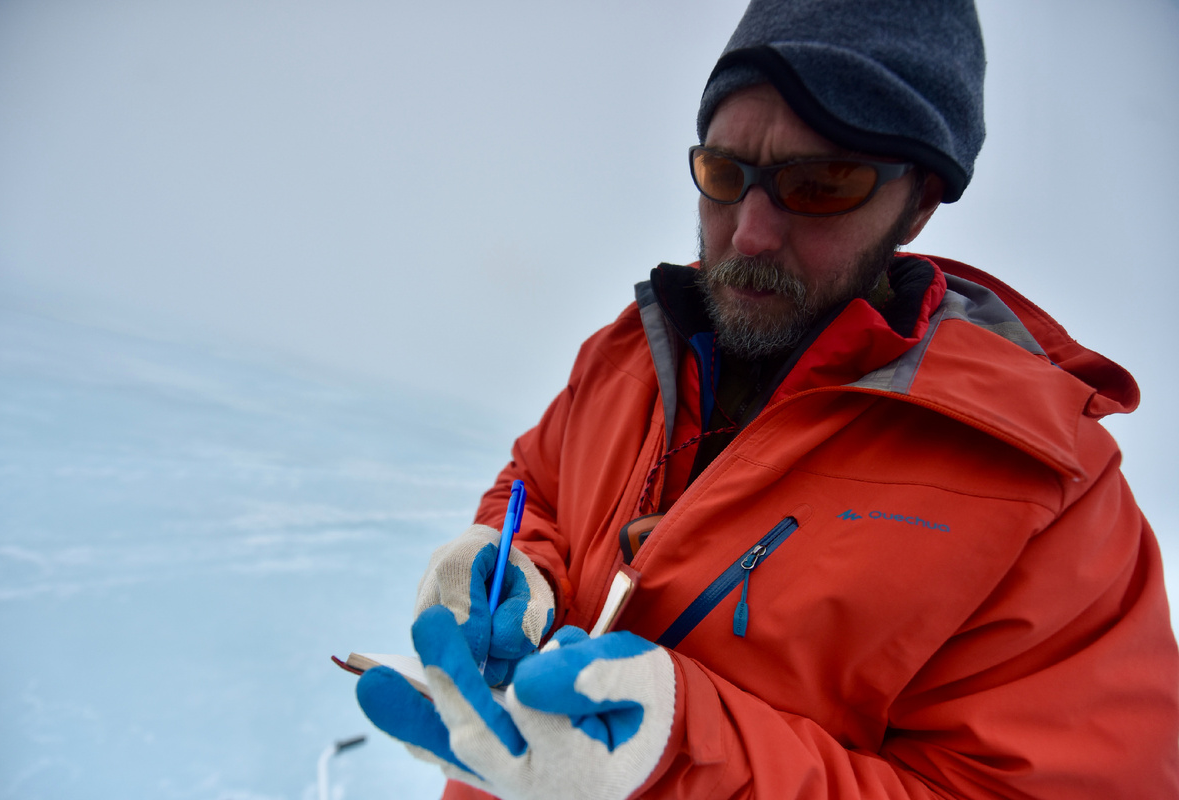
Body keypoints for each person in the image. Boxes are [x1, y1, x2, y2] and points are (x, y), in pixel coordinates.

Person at [355, 0, 1179, 797]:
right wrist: (512, 570)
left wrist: (680, 760)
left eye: (819, 183)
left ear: (920, 200)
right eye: (724, 173)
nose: (748, 232)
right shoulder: (628, 354)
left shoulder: (1048, 489)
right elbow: (535, 487)